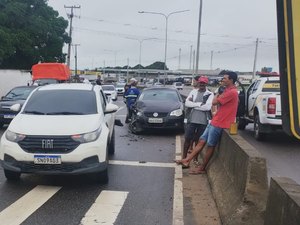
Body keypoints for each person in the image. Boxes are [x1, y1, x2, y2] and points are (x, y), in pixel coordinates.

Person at [175, 70, 239, 174]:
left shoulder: (231, 92)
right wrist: (201, 104)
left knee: (210, 145)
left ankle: (202, 168)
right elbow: (188, 103)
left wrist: (217, 93)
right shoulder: (227, 90)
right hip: (215, 121)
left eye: (225, 78)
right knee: (201, 140)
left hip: (221, 123)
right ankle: (187, 160)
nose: (222, 80)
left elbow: (213, 103)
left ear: (231, 80)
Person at [183, 76, 213, 166]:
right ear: (198, 83)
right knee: (187, 139)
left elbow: (207, 107)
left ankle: (195, 159)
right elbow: (187, 103)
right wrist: (200, 104)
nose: (201, 84)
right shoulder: (193, 92)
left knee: (198, 140)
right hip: (191, 119)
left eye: (203, 83)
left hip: (203, 121)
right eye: (200, 83)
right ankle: (184, 158)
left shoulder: (210, 94)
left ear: (206, 84)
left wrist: (194, 105)